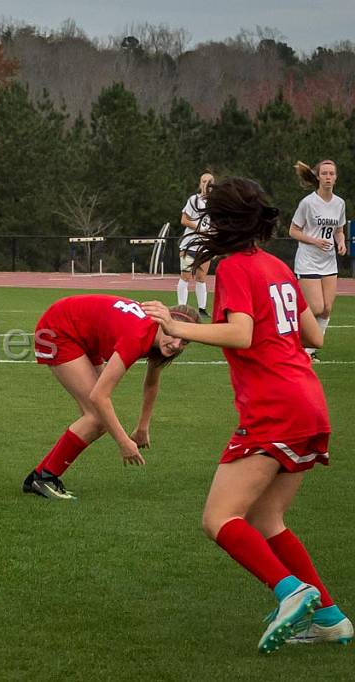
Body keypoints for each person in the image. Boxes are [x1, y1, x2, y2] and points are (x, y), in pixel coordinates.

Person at [142, 177, 351, 653]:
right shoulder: (277, 266)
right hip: (309, 402)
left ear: (224, 221)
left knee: (219, 519)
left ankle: (291, 591)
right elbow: (314, 337)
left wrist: (177, 326)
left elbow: (241, 334)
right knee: (267, 519)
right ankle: (331, 618)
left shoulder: (235, 268)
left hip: (275, 406)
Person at [22, 294, 197, 500]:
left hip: (83, 333)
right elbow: (99, 396)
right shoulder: (138, 336)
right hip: (59, 328)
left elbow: (151, 383)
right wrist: (123, 441)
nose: (176, 345)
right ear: (162, 322)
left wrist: (142, 427)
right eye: (173, 334)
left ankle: (39, 477)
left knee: (99, 420)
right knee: (96, 417)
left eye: (184, 341)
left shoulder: (158, 336)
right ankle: (44, 478)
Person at [289, 160, 347, 361]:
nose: (328, 177)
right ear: (318, 177)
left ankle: (309, 352)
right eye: (325, 173)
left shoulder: (339, 203)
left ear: (336, 177)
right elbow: (293, 231)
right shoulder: (308, 203)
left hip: (329, 262)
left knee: (327, 309)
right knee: (315, 308)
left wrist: (341, 243)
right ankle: (292, 338)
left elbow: (339, 231)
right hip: (308, 261)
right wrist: (314, 241)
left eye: (332, 173)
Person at [178, 172, 215, 317]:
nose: (206, 184)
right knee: (186, 276)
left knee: (201, 277)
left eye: (209, 182)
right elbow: (184, 220)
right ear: (200, 184)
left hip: (205, 246)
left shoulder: (216, 203)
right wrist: (199, 228)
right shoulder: (194, 200)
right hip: (190, 245)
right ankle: (181, 307)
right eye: (204, 181)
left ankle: (202, 309)